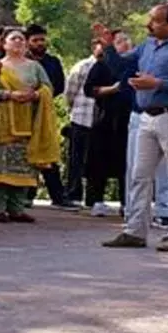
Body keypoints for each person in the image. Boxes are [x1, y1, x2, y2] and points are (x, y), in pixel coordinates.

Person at [102, 5, 168, 252]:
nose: (150, 25)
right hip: (146, 116)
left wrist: (157, 83)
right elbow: (120, 67)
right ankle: (134, 231)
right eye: (150, 20)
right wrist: (107, 46)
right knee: (139, 175)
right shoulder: (147, 45)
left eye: (156, 21)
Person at [0, 28, 60, 223]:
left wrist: (35, 95)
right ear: (4, 44)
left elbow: (47, 87)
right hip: (0, 122)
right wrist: (8, 95)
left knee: (23, 167)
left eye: (21, 38)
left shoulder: (35, 67)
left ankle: (17, 208)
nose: (18, 41)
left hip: (27, 120)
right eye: (13, 38)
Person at [83, 29, 136, 219]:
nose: (125, 44)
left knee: (127, 163)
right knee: (99, 161)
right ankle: (97, 201)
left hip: (129, 120)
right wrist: (111, 89)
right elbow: (89, 89)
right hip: (104, 120)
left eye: (127, 40)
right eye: (120, 41)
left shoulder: (135, 64)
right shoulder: (101, 65)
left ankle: (126, 202)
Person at [25, 24, 70, 208]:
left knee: (48, 153)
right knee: (25, 153)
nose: (39, 43)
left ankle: (57, 196)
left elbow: (59, 86)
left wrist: (42, 94)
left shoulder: (53, 62)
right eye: (35, 40)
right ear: (28, 42)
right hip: (24, 111)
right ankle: (26, 194)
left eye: (42, 39)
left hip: (46, 112)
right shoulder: (22, 63)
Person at [62, 39, 103, 209]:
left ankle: (93, 198)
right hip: (81, 117)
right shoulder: (82, 66)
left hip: (101, 121)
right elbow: (70, 92)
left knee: (96, 160)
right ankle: (73, 194)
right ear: (94, 48)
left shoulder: (109, 67)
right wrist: (74, 109)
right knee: (76, 159)